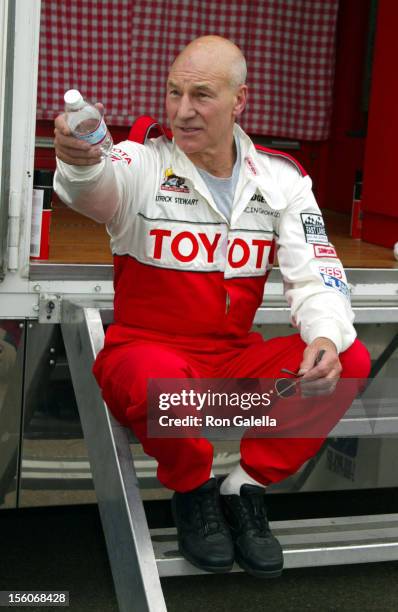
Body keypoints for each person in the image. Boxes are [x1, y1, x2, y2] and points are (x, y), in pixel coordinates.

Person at [54, 35, 371, 578]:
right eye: (174, 92)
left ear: (239, 100)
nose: (181, 110)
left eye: (201, 95)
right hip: (149, 355)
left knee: (348, 357)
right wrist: (80, 161)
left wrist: (323, 335)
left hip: (228, 365)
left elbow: (318, 273)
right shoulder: (140, 159)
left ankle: (243, 489)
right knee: (154, 377)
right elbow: (95, 189)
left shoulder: (283, 179)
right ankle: (193, 486)